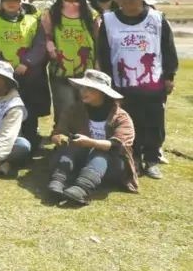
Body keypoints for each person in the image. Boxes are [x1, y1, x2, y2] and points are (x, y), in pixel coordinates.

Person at [96, 0, 177, 180]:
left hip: (153, 83)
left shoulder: (157, 19)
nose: (128, 0)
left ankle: (152, 160)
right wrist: (107, 82)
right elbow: (104, 53)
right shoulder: (108, 20)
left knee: (154, 122)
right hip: (121, 84)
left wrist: (169, 76)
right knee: (128, 122)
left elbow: (168, 49)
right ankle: (133, 158)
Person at [47, 69, 138, 204]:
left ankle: (82, 189)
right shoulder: (74, 110)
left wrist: (90, 142)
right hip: (81, 160)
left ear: (102, 92)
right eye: (82, 87)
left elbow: (118, 145)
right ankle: (58, 181)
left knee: (100, 152)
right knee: (73, 147)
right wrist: (58, 137)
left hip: (112, 166)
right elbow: (58, 132)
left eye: (89, 88)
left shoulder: (121, 117)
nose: (83, 91)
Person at [0, 0, 49, 148]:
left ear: (20, 2)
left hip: (27, 74)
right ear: (1, 3)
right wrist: (0, 66)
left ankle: (30, 144)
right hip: (2, 76)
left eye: (15, 0)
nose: (11, 3)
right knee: (3, 109)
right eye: (7, 0)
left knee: (29, 109)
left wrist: (27, 63)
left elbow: (40, 45)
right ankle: (1, 143)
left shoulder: (32, 21)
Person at [39, 0, 98, 124]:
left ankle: (85, 135)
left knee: (86, 107)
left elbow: (97, 38)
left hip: (86, 70)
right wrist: (50, 47)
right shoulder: (51, 13)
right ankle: (62, 134)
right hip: (60, 69)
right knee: (64, 107)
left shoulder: (90, 13)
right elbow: (46, 35)